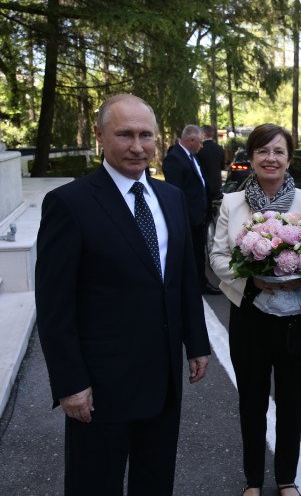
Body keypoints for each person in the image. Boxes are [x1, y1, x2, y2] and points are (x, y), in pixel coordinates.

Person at [35, 94, 211, 495]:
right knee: (95, 484)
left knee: (155, 480)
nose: (137, 146)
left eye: (146, 135)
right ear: (99, 136)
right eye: (125, 135)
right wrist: (69, 382)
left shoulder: (171, 198)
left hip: (163, 380)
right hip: (100, 388)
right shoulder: (70, 203)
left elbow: (182, 277)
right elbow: (54, 305)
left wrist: (197, 342)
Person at [209, 124, 301, 496]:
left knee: (293, 401)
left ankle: (286, 478)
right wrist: (250, 276)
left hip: (296, 318)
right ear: (251, 158)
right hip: (249, 314)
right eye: (262, 151)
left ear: (289, 159)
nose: (271, 158)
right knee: (251, 401)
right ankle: (253, 480)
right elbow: (218, 257)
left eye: (278, 152)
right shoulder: (231, 204)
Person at [163, 124, 221, 295]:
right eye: (200, 143)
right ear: (191, 140)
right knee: (190, 253)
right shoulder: (175, 158)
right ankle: (193, 285)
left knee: (198, 253)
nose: (202, 146)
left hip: (198, 215)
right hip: (188, 217)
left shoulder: (192, 157)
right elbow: (174, 191)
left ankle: (200, 283)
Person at [197, 124, 225, 215]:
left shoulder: (200, 150)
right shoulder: (219, 148)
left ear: (203, 134)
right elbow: (223, 167)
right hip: (217, 186)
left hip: (204, 187)